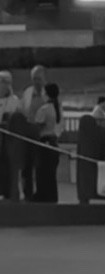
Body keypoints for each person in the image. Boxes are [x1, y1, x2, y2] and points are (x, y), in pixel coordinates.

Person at [20, 66, 47, 201]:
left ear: (44, 79)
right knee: (26, 167)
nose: (36, 81)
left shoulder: (49, 94)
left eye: (39, 79)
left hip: (42, 135)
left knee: (41, 167)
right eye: (34, 78)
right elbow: (22, 111)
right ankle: (27, 194)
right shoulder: (27, 93)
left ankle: (42, 194)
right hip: (27, 135)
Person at [33, 83, 62, 203]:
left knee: (41, 172)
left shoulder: (44, 109)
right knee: (51, 174)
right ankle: (52, 197)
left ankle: (41, 195)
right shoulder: (58, 108)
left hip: (44, 143)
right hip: (54, 143)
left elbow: (37, 127)